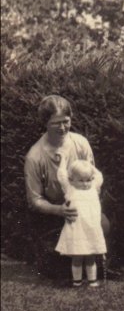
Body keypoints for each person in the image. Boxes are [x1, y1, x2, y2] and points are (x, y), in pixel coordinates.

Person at [24, 95, 110, 279]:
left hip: (81, 210)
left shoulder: (80, 143)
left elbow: (94, 179)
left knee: (103, 224)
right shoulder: (35, 156)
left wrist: (88, 205)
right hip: (54, 215)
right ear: (45, 123)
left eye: (66, 121)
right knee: (57, 269)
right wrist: (59, 210)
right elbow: (35, 200)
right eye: (56, 123)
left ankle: (96, 263)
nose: (62, 127)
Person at [54, 153, 107, 287]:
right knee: (77, 257)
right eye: (81, 180)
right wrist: (63, 161)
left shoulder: (94, 188)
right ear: (72, 180)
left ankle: (92, 281)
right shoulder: (70, 189)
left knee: (91, 256)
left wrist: (90, 165)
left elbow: (99, 176)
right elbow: (61, 176)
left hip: (91, 229)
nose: (85, 183)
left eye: (88, 180)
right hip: (77, 230)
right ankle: (77, 281)